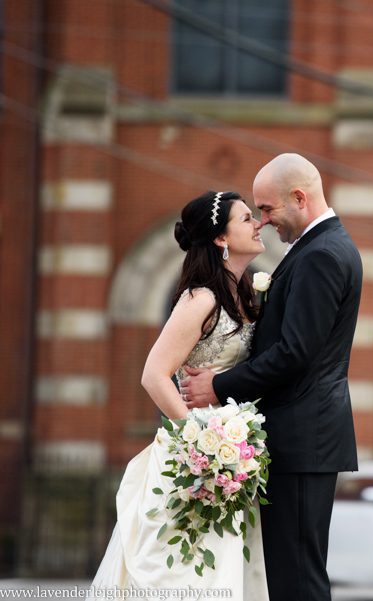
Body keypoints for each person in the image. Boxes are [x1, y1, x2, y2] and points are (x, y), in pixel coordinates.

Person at [181, 153, 363, 601]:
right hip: (304, 437)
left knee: (297, 580)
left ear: (299, 198)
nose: (263, 222)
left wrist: (218, 386)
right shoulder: (319, 248)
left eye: (267, 209)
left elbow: (295, 353)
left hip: (303, 439)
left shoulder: (321, 254)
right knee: (287, 575)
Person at [87, 191, 268, 600]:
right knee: (187, 571)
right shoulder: (201, 298)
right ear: (221, 239)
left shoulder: (245, 296)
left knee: (224, 564)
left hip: (233, 458)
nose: (257, 223)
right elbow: (154, 374)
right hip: (198, 458)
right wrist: (201, 444)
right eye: (245, 219)